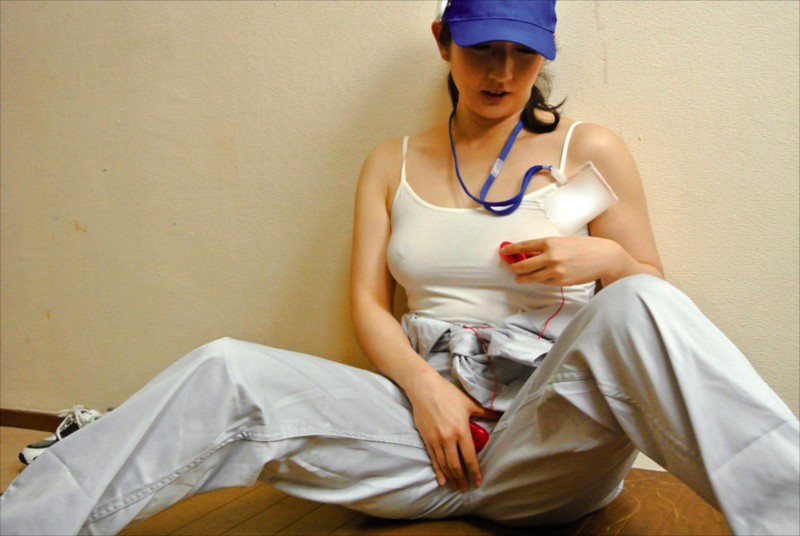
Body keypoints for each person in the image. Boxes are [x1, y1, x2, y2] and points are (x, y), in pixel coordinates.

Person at [1, 1, 798, 535]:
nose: (502, 73)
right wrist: (423, 389)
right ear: (443, 41)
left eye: (523, 55)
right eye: (483, 50)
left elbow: (656, 305)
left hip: (550, 444)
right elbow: (367, 305)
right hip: (423, 439)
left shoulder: (587, 148)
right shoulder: (392, 161)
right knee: (226, 367)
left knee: (639, 304)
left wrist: (611, 258)